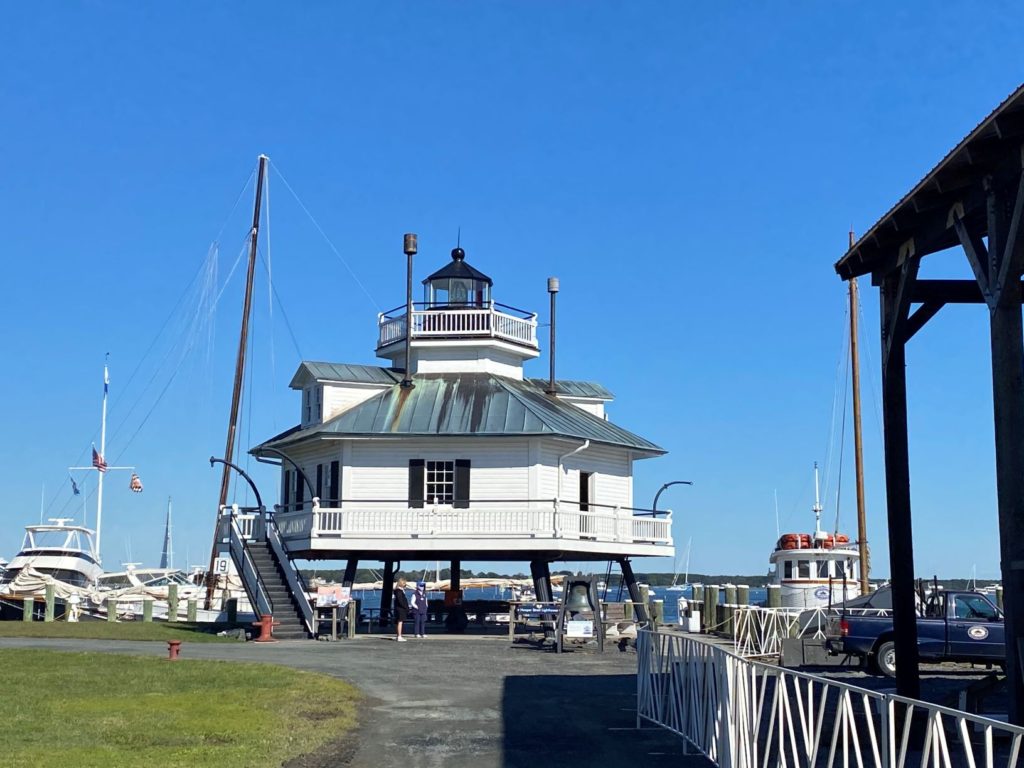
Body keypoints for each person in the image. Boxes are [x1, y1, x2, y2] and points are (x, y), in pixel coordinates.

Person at [394, 578, 410, 642]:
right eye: (404, 583)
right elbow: (401, 601)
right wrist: (406, 607)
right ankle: (399, 636)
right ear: (401, 583)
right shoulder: (399, 591)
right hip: (400, 609)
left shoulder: (398, 591)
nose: (405, 584)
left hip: (399, 608)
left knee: (399, 622)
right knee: (400, 622)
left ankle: (398, 635)